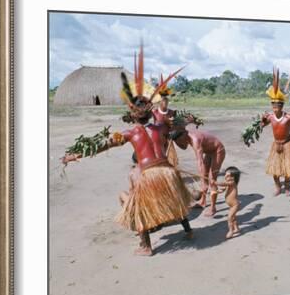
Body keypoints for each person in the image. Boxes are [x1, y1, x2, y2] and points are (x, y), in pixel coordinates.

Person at [62, 45, 193, 256]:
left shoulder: (131, 133)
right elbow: (180, 124)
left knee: (137, 205)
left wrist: (76, 155)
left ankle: (146, 246)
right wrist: (182, 121)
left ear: (132, 115)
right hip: (167, 171)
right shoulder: (161, 126)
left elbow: (103, 144)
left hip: (149, 175)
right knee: (175, 198)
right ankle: (188, 231)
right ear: (149, 114)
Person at [261, 66, 290, 196]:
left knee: (287, 168)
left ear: (282, 106)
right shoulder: (270, 117)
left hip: (287, 144)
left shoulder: (288, 116)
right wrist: (262, 120)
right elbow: (262, 125)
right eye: (273, 106)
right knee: (275, 169)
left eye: (278, 106)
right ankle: (278, 187)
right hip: (276, 144)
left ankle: (287, 187)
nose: (275, 109)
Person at [171, 127, 226, 217]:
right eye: (178, 140)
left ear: (184, 135)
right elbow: (184, 147)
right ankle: (203, 202)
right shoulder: (185, 136)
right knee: (204, 176)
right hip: (209, 152)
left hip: (218, 150)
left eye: (180, 139)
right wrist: (175, 141)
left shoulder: (195, 140)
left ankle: (213, 207)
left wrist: (203, 179)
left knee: (212, 180)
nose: (180, 141)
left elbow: (199, 161)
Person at [217, 166, 241, 239]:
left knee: (229, 218)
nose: (225, 176)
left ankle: (231, 231)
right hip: (231, 205)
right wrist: (217, 191)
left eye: (228, 176)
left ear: (234, 178)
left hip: (235, 205)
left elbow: (223, 184)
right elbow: (223, 189)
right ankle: (237, 228)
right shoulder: (228, 183)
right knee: (233, 218)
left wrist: (215, 182)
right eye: (225, 175)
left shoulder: (232, 183)